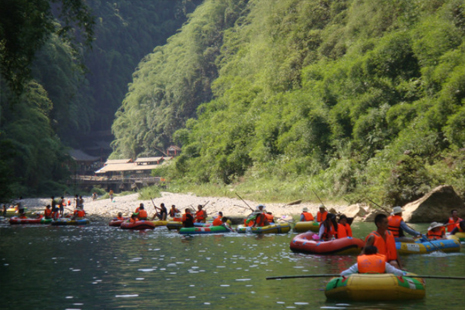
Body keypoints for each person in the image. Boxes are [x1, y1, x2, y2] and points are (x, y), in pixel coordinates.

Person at [340, 246, 407, 276]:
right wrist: (404, 273)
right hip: (382, 282)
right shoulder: (383, 263)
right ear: (376, 253)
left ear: (365, 253)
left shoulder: (359, 263)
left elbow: (344, 273)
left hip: (361, 282)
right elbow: (397, 272)